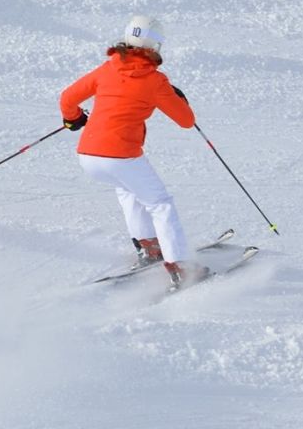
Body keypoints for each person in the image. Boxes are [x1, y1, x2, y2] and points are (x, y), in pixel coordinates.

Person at [60, 15, 204, 287]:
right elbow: (186, 121)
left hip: (88, 156)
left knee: (128, 190)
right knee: (160, 203)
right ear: (156, 46)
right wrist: (179, 99)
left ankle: (149, 248)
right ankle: (179, 266)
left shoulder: (107, 69)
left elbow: (68, 98)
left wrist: (73, 118)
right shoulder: (154, 81)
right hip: (121, 155)